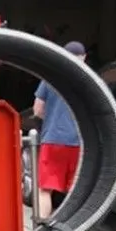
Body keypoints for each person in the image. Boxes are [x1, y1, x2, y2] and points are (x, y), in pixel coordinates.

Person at [32, 40, 86, 219]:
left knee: (45, 189)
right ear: (84, 57)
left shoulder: (51, 78)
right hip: (80, 143)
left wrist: (54, 117)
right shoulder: (88, 82)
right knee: (75, 192)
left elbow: (38, 109)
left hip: (53, 140)